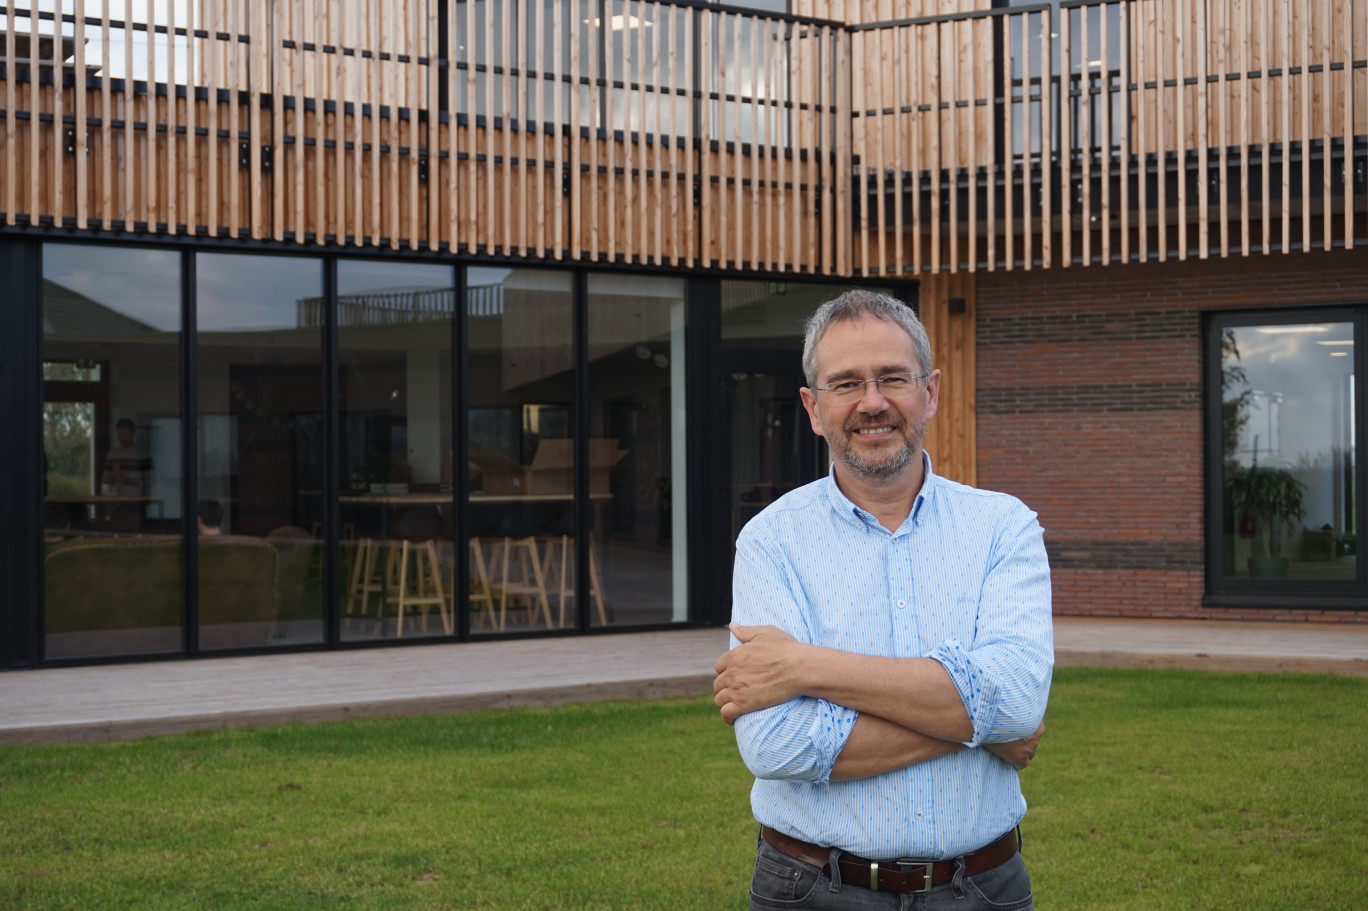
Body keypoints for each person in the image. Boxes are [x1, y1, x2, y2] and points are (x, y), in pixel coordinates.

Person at [713, 289, 1053, 911]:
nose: (872, 402)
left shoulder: (1005, 529)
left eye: (893, 377)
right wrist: (977, 725)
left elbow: (1019, 701)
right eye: (846, 384)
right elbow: (776, 745)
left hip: (981, 888)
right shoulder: (769, 542)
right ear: (814, 408)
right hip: (810, 888)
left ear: (931, 392)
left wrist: (805, 667)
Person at [100, 418, 152, 496]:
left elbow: (149, 483)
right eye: (119, 435)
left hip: (138, 503)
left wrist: (126, 480)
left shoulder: (143, 455)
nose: (122, 438)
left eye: (125, 434)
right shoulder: (113, 455)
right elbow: (104, 482)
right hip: (117, 503)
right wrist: (113, 476)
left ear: (133, 433)